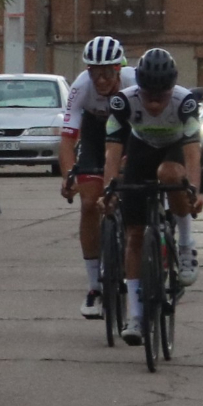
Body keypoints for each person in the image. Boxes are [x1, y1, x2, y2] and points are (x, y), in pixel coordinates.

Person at [100, 48, 203, 344]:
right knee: (133, 234)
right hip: (141, 149)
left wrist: (195, 190)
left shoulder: (184, 102)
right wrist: (110, 189)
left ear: (172, 88)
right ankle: (135, 315)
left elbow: (193, 152)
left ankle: (186, 246)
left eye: (162, 93)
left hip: (174, 148)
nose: (156, 101)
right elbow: (113, 151)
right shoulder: (124, 102)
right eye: (149, 94)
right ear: (139, 88)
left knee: (170, 175)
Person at [58, 36, 137, 318]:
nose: (101, 80)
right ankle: (94, 287)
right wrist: (69, 176)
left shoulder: (133, 83)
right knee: (89, 204)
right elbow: (68, 139)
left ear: (119, 70)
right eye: (95, 73)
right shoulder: (81, 87)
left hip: (130, 132)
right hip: (94, 132)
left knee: (132, 197)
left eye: (107, 73)